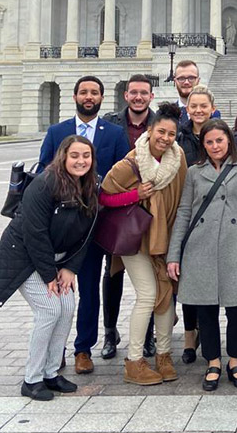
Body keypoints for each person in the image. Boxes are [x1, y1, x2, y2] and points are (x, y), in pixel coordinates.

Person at [0, 135, 98, 400]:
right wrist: (49, 273)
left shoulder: (89, 186)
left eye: (86, 156)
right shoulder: (43, 184)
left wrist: (71, 268)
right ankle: (32, 379)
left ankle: (51, 373)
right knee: (50, 309)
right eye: (74, 155)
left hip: (58, 260)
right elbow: (34, 233)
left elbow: (87, 233)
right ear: (63, 156)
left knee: (67, 307)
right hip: (24, 258)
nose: (81, 161)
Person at [37, 76, 129, 374]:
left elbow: (122, 176)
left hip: (95, 225)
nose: (89, 97)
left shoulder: (114, 134)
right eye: (84, 92)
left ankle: (83, 348)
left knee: (88, 287)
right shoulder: (57, 132)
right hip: (60, 227)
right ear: (75, 96)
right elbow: (42, 173)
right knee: (57, 290)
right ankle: (56, 348)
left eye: (95, 93)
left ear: (102, 98)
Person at [167, 119, 237, 391]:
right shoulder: (195, 172)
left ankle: (235, 360)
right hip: (201, 246)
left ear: (229, 141)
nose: (214, 146)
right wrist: (174, 255)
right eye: (209, 142)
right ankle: (212, 361)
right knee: (205, 309)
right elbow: (185, 212)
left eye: (219, 140)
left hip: (236, 245)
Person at [99, 103, 187, 386]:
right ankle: (134, 361)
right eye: (161, 131)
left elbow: (182, 197)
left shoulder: (178, 160)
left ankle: (163, 355)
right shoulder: (132, 162)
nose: (165, 138)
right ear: (150, 130)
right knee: (149, 294)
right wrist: (135, 194)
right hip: (135, 241)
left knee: (165, 295)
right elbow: (104, 196)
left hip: (164, 238)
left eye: (171, 134)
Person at [100, 73, 158, 361]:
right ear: (126, 95)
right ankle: (110, 332)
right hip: (116, 209)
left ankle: (148, 335)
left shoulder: (160, 124)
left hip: (149, 211)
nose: (138, 97)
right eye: (133, 92)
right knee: (113, 273)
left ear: (151, 96)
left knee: (148, 277)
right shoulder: (110, 124)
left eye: (143, 93)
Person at [174, 84, 216, 362]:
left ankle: (212, 332)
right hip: (188, 215)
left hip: (217, 217)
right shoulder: (179, 138)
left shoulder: (220, 135)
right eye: (194, 106)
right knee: (190, 279)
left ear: (212, 108)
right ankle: (190, 339)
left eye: (203, 106)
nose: (199, 110)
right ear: (186, 109)